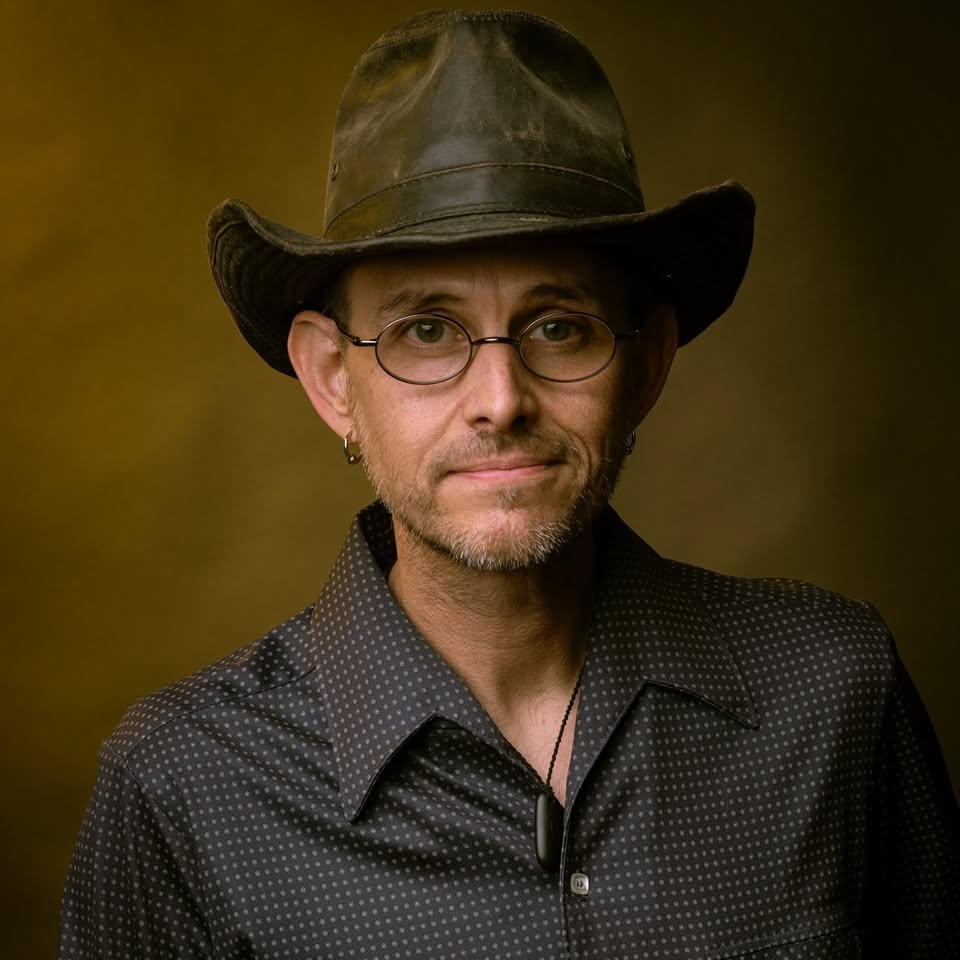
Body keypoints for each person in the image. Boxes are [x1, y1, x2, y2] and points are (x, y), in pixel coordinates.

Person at [59, 9, 959, 959]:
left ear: (646, 364)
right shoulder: (183, 783)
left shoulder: (831, 691)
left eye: (560, 326)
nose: (501, 401)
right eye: (428, 332)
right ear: (333, 381)